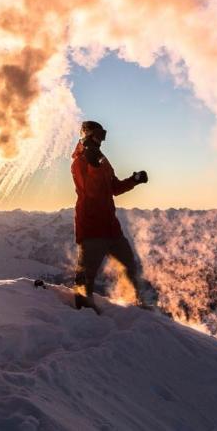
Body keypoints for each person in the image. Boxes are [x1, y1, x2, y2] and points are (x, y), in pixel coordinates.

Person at [71, 120, 151, 311]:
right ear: (88, 135)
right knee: (87, 273)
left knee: (129, 265)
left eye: (103, 135)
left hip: (111, 227)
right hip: (91, 227)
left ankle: (137, 303)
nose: (101, 140)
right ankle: (83, 309)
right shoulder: (79, 162)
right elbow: (89, 191)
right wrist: (94, 166)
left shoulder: (101, 159)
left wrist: (134, 180)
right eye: (98, 135)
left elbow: (113, 188)